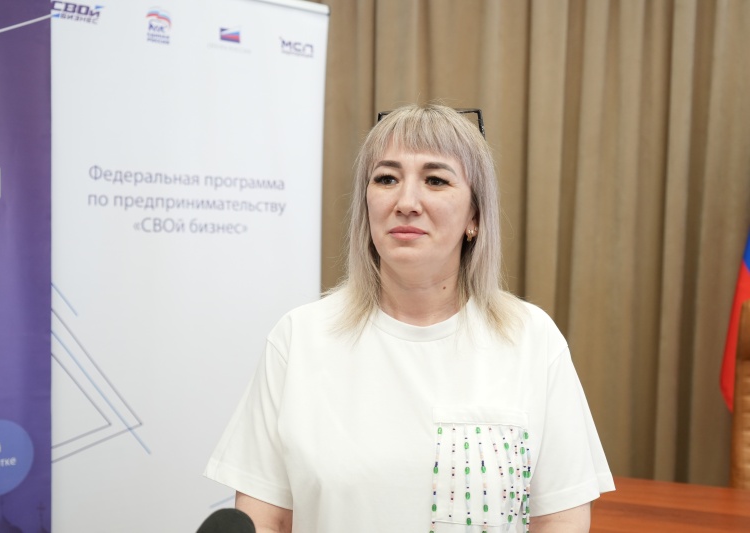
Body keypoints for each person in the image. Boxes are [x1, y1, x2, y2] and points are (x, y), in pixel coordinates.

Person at [204, 103, 615, 532]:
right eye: (387, 179)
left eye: (436, 180)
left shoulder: (531, 339)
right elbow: (266, 518)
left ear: (475, 216)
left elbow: (559, 519)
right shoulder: (299, 338)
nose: (406, 203)